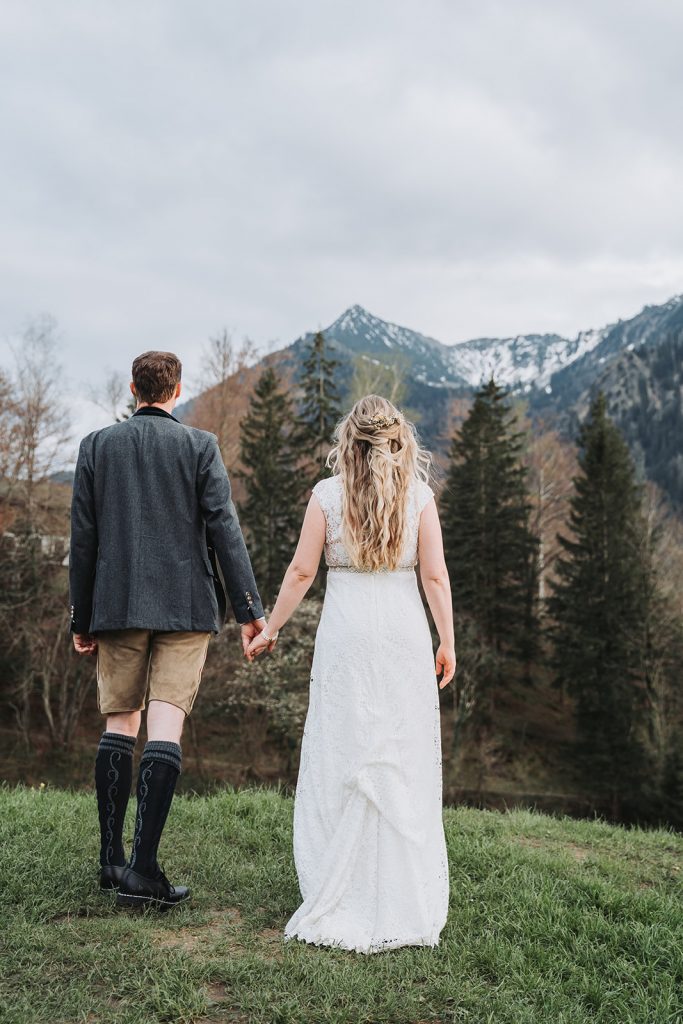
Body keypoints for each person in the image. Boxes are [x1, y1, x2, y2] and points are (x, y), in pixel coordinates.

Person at [248, 394, 455, 953]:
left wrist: (271, 628)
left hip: (347, 634)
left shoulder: (327, 496)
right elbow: (435, 577)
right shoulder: (418, 497)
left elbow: (301, 571)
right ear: (397, 439)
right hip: (403, 635)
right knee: (399, 755)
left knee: (343, 751)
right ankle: (400, 893)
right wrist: (447, 640)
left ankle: (339, 885)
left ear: (349, 441)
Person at [70, 350, 265, 910]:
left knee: (119, 722)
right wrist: (250, 611)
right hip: (185, 607)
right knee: (164, 727)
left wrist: (82, 617)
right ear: (177, 391)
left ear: (133, 388)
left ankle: (111, 861)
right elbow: (225, 530)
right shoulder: (200, 446)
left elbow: (83, 539)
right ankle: (143, 871)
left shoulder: (97, 446)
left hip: (117, 604)